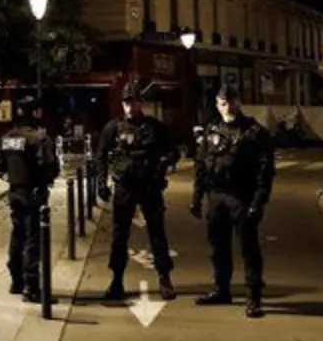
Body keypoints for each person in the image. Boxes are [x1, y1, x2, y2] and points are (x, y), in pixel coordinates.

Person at [190, 85, 277, 319]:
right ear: (217, 105)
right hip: (216, 195)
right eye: (222, 103)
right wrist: (197, 198)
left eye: (230, 102)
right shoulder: (212, 128)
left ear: (239, 102)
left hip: (242, 196)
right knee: (218, 247)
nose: (227, 107)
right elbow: (201, 165)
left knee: (248, 248)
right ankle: (221, 289)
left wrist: (258, 202)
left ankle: (253, 297)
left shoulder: (255, 132)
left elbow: (265, 172)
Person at [95, 81, 179, 301]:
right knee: (119, 236)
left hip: (150, 186)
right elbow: (101, 156)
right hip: (124, 186)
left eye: (134, 102)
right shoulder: (113, 127)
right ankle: (117, 280)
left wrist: (165, 162)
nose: (130, 106)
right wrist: (101, 183)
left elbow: (174, 150)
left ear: (142, 103)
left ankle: (164, 277)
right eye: (127, 102)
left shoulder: (155, 127)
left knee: (157, 234)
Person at [0, 108, 60, 303]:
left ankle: (16, 281)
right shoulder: (38, 138)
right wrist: (46, 179)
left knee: (18, 234)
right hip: (34, 191)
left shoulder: (6, 138)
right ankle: (31, 287)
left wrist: (9, 176)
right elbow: (48, 165)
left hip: (15, 191)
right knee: (33, 238)